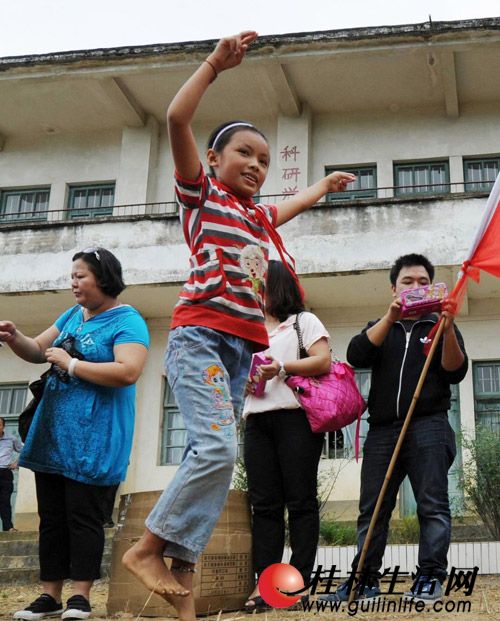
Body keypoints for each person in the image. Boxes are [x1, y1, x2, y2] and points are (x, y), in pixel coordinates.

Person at [122, 31, 355, 621]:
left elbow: (286, 208)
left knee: (219, 457)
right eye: (243, 154)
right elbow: (177, 119)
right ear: (216, 160)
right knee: (218, 447)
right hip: (199, 335)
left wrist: (322, 188)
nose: (254, 165)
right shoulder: (202, 196)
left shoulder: (255, 216)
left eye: (264, 160)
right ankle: (148, 548)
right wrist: (213, 66)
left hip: (239, 352)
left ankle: (184, 595)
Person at [0, 247, 149, 621]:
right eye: (72, 276)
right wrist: (15, 336)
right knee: (52, 517)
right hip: (53, 434)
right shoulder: (71, 315)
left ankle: (80, 597)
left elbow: (129, 371)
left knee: (82, 516)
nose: (73, 282)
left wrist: (73, 363)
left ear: (103, 277)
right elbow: (38, 351)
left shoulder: (128, 320)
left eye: (80, 275)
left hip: (93, 437)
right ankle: (49, 595)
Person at [320, 253, 468, 604]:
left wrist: (445, 328)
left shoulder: (439, 324)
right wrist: (390, 316)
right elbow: (357, 355)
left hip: (429, 426)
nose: (415, 288)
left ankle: (430, 577)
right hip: (384, 431)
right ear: (393, 288)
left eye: (422, 282)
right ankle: (364, 581)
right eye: (407, 282)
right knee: (373, 509)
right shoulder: (382, 325)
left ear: (431, 287)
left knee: (432, 505)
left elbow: (455, 371)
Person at [242, 260, 331, 612]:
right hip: (257, 422)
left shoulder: (303, 322)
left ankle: (297, 583)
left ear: (275, 285)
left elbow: (322, 361)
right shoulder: (249, 328)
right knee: (263, 506)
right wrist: (246, 381)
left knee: (301, 503)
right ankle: (265, 584)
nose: (251, 287)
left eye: (257, 282)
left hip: (296, 420)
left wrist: (282, 368)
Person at [0, 416, 23, 532]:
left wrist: (16, 463)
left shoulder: (11, 439)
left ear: (3, 426)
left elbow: (23, 450)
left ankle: (8, 528)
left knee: (5, 502)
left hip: (5, 473)